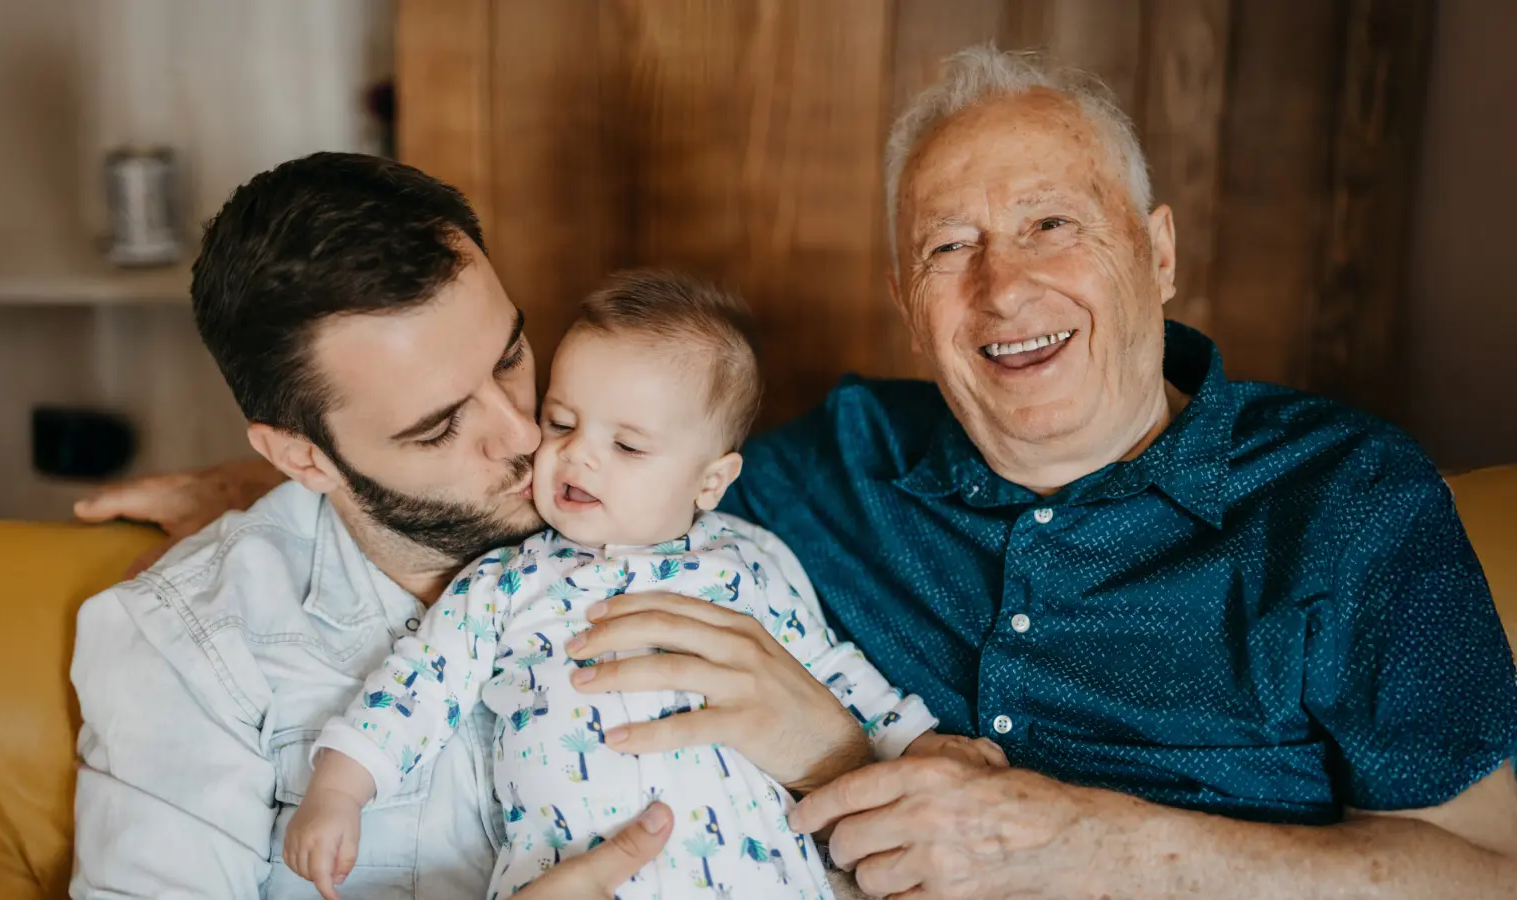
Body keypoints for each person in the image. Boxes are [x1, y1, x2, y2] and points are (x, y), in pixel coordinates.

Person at [77, 46, 1517, 898]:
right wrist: (257, 496)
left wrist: (1081, 841)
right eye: (950, 247)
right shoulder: (844, 464)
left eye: (1055, 225)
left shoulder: (1347, 504)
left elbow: (1490, 868)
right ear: (906, 304)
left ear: (1159, 250)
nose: (1004, 286)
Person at [282, 272, 949, 900]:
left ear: (710, 482)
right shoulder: (503, 582)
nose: (580, 455)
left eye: (628, 447)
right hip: (571, 875)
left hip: (757, 876)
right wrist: (340, 790)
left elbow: (833, 672)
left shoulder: (747, 565)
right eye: (562, 422)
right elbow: (420, 681)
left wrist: (921, 749)